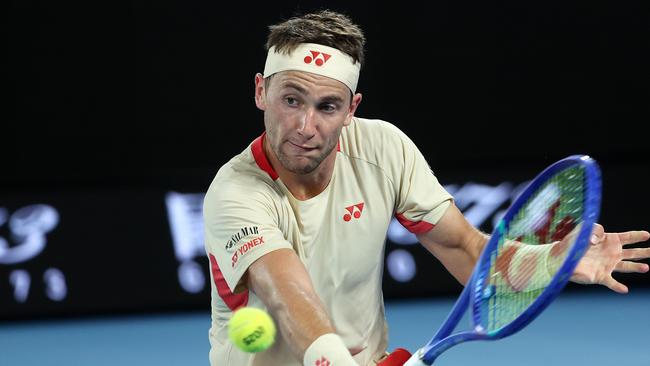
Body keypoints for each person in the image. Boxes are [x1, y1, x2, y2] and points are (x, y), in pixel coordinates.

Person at [203, 10, 650, 366]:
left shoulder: (384, 149)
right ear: (261, 91)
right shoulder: (236, 193)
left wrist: (554, 260)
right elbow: (288, 297)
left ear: (351, 110)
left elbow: (466, 250)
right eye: (291, 99)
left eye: (328, 106)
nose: (305, 126)